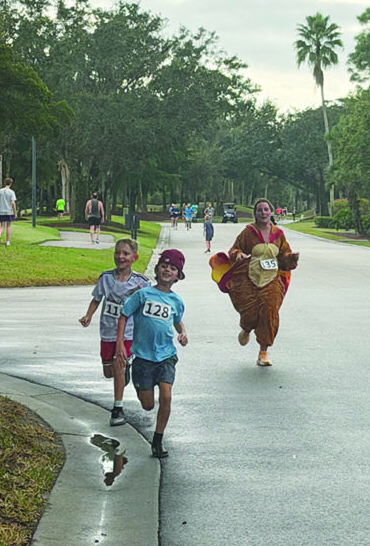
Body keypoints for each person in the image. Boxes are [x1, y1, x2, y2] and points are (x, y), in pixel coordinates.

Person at [209, 197, 299, 367]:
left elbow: (284, 256)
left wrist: (291, 257)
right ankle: (246, 327)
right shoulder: (248, 232)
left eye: (266, 209)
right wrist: (238, 255)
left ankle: (263, 351)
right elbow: (234, 249)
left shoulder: (279, 234)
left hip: (272, 279)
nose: (263, 213)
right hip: (249, 277)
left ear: (271, 212)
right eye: (260, 210)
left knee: (269, 310)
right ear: (255, 214)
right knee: (250, 312)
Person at [116, 248, 188, 459]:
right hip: (143, 358)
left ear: (177, 276)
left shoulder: (176, 301)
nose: (167, 270)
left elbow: (177, 321)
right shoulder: (143, 294)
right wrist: (120, 344)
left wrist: (183, 332)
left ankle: (157, 440)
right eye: (164, 266)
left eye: (172, 268)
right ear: (157, 270)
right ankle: (134, 377)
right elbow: (124, 314)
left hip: (166, 356)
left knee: (166, 396)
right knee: (148, 405)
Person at [79, 238, 150, 426]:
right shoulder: (106, 278)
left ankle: (117, 408)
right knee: (108, 372)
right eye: (117, 253)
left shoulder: (141, 282)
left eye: (126, 253)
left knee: (119, 364)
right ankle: (124, 372)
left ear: (135, 257)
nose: (120, 257)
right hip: (108, 330)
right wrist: (88, 315)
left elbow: (149, 305)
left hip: (128, 333)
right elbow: (97, 299)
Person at [0, 177, 16, 246]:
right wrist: (15, 213)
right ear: (11, 184)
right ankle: (8, 241)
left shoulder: (0, 191)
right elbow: (13, 203)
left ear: (5, 183)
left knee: (2, 226)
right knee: (8, 226)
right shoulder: (11, 192)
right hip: (9, 211)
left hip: (1, 211)